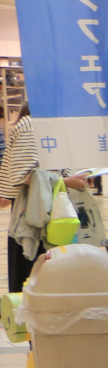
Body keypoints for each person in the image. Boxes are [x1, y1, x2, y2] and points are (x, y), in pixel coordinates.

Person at [1, 104, 36, 292]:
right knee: (30, 266)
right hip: (32, 210)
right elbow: (21, 176)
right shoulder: (30, 126)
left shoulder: (27, 125)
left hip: (28, 209)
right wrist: (67, 181)